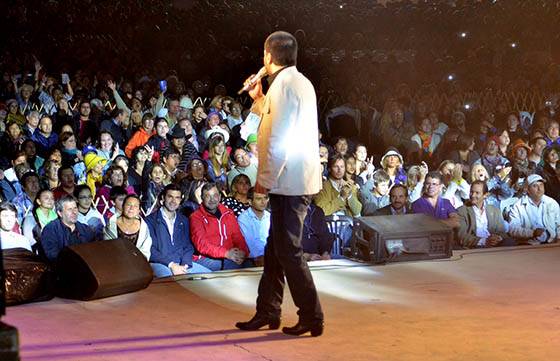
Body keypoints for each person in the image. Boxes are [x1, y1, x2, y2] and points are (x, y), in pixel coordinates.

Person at [235, 31, 324, 337]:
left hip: (290, 182)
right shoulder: (296, 83)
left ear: (268, 57)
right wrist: (258, 97)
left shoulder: (285, 85)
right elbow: (274, 119)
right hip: (291, 180)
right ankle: (268, 311)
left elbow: (279, 140)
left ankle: (311, 315)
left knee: (288, 251)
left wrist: (263, 182)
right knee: (276, 249)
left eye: (263, 53)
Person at [146, 184, 210, 277]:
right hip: (160, 263)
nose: (173, 201)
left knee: (209, 277)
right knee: (172, 282)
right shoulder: (150, 221)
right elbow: (151, 250)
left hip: (181, 263)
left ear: (180, 200)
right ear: (163, 198)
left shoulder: (184, 220)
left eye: (177, 198)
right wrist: (171, 264)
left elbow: (188, 246)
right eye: (170, 197)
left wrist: (185, 264)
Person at [189, 183, 250, 271]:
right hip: (206, 258)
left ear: (220, 197)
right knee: (230, 265)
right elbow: (202, 245)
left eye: (215, 195)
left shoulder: (228, 213)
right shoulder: (196, 217)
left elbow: (238, 237)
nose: (212, 199)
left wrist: (243, 253)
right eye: (207, 196)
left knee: (250, 264)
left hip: (230, 255)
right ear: (202, 198)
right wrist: (226, 253)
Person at [40, 195, 98, 262]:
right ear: (60, 213)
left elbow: (93, 251)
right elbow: (52, 255)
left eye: (75, 208)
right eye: (69, 209)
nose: (74, 212)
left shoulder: (85, 229)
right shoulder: (51, 230)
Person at [508, 174, 560, 244]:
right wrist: (532, 233)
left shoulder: (552, 203)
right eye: (535, 186)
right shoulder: (518, 206)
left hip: (551, 243)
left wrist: (558, 239)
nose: (539, 188)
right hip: (528, 245)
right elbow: (512, 229)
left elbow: (559, 224)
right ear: (527, 190)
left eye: (541, 185)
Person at [456, 180, 508, 249]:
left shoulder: (495, 211)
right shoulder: (461, 211)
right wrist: (484, 241)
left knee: (510, 242)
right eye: (471, 192)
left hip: (495, 245)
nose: (473, 195)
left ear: (485, 195)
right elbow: (462, 236)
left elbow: (502, 232)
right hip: (475, 247)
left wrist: (498, 238)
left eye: (477, 193)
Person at [104, 195, 151, 260]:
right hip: (114, 261)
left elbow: (145, 251)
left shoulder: (143, 227)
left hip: (137, 263)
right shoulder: (112, 224)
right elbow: (107, 247)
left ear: (139, 211)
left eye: (135, 206)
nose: (131, 208)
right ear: (123, 207)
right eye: (129, 205)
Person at [238, 187, 271, 266]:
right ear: (250, 201)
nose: (263, 202)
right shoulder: (243, 218)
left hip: (270, 257)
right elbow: (249, 244)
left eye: (265, 198)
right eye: (259, 199)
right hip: (252, 259)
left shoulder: (270, 217)